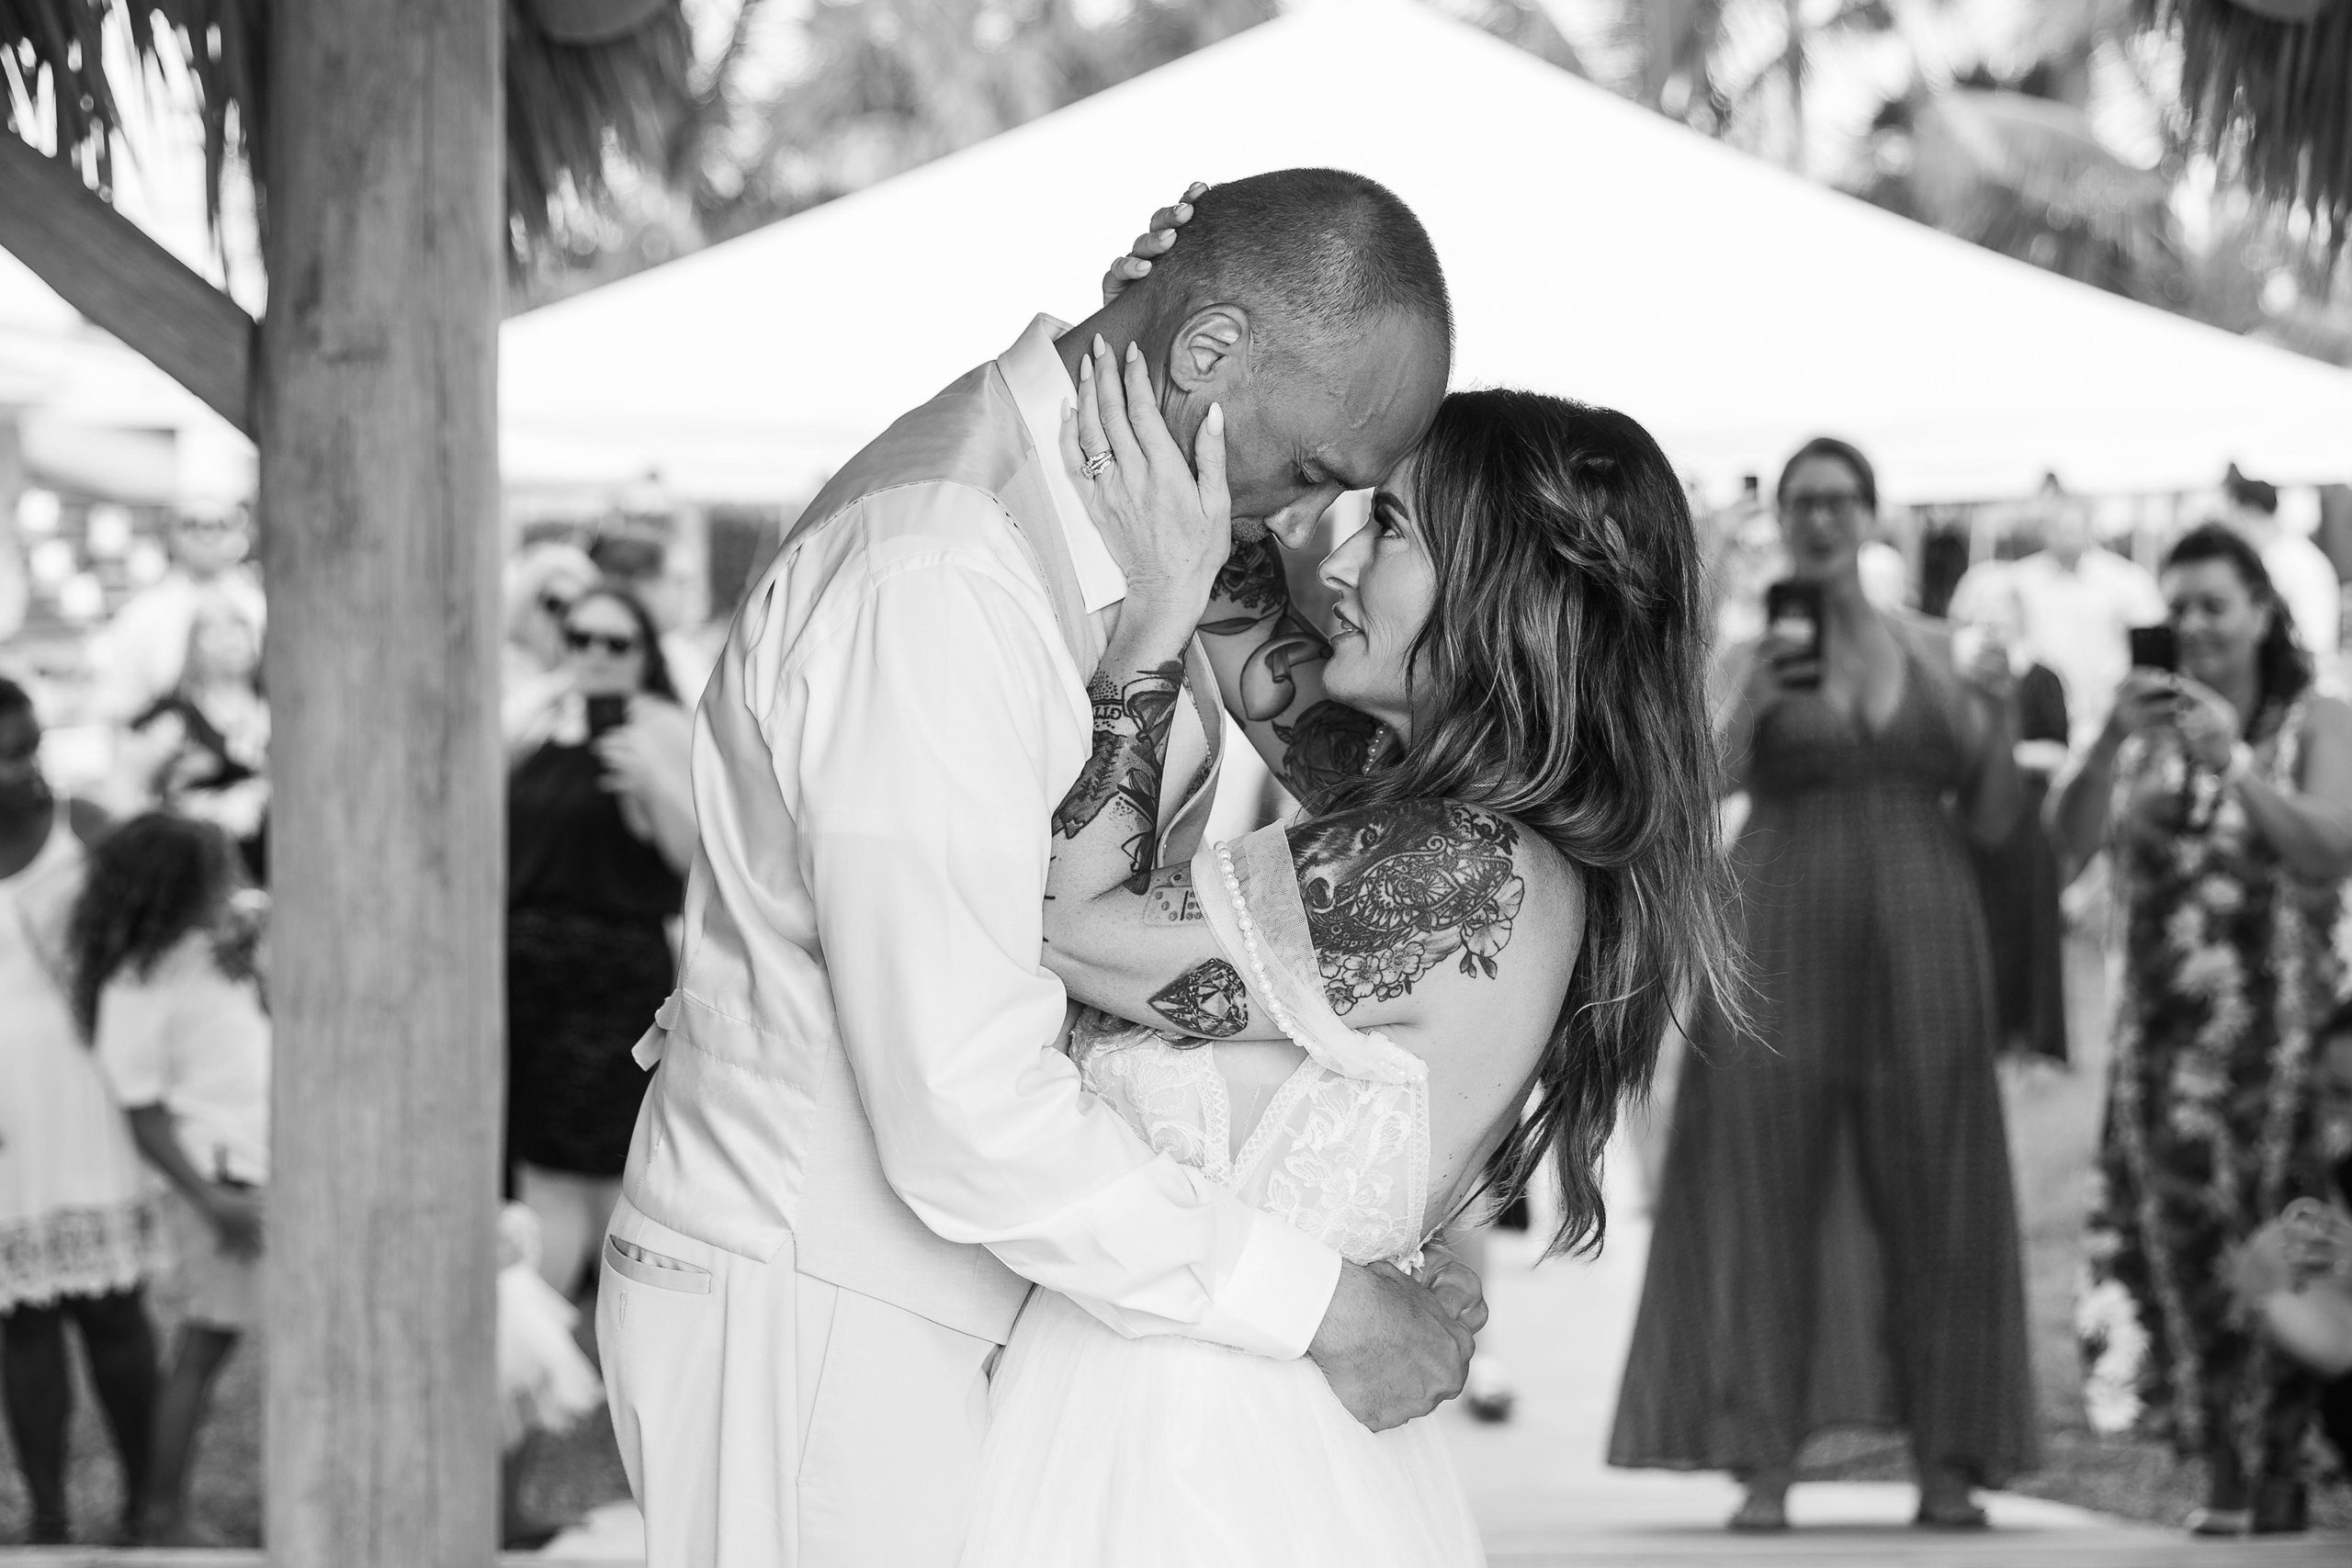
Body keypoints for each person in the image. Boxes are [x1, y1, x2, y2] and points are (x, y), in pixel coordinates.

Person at [595, 169, 1484, 1568]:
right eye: (1313, 473)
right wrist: (1323, 1305)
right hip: (826, 1296)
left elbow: (1376, 761)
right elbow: (963, 1102)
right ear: (1206, 357)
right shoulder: (941, 578)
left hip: (945, 1285)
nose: (1311, 524)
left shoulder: (1159, 518)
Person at [956, 360, 1735, 1564]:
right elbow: (1247, 601)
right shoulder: (1443, 830)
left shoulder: (1458, 869)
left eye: (1392, 525)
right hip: (1196, 1426)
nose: (1337, 553)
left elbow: (1068, 922)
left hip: (1200, 1467)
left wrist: (1152, 612)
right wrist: (1198, 381)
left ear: (1501, 589)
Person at [1610, 435, 2041, 1530]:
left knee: (1939, 1171)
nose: (1819, 518)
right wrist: (1748, 698)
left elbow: (1993, 817)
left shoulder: (1940, 649)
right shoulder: (1750, 656)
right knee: (1761, 1168)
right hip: (1783, 915)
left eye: (1839, 499)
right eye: (1801, 501)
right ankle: (1761, 1458)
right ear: (1782, 520)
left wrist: (1993, 713)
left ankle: (1951, 1460)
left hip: (1924, 919)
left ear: (1872, 514)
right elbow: (1695, 791)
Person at [2050, 522, 2352, 1537]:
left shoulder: (2317, 718)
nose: (2192, 626)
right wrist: (2104, 745)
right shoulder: (2137, 737)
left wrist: (2239, 766)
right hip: (2161, 1051)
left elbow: (2328, 850)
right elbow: (2058, 859)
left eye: (2213, 604)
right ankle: (2222, 1468)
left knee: (2281, 1249)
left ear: (2264, 612)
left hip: (2285, 1051)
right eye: (2175, 607)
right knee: (2180, 1254)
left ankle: (2283, 1468)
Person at [74, 812, 268, 1548]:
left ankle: (164, 1510)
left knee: (213, 1341)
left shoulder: (212, 949)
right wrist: (209, 1198)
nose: (233, 885)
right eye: (218, 874)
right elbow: (144, 1113)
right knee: (205, 1342)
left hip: (257, 1168)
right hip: (221, 1185)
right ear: (175, 888)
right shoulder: (135, 981)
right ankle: (160, 1513)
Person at [0, 678, 159, 1546]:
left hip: (85, 1084)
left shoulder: (86, 823)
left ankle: (146, 1500)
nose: (27, 767)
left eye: (33, 744)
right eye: (7, 752)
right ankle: (49, 1516)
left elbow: (163, 925)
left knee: (115, 1310)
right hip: (4, 1111)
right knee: (20, 1319)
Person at [503, 584, 694, 1298]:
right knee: (539, 1164)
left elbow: (694, 859)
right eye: (580, 636)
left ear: (645, 651)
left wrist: (646, 784)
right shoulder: (541, 717)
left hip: (606, 978)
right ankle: (557, 1340)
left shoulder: (660, 726)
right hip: (526, 981)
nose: (594, 654)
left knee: (594, 1171)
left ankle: (576, 1339)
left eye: (616, 642)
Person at [1951, 570, 2072, 1062]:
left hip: (2028, 821)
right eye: (1983, 606)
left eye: (2002, 606)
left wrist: (2002, 752)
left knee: (2030, 928)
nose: (1993, 617)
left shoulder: (2042, 676)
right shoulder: (1958, 676)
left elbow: (2059, 751)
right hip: (1967, 821)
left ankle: (2030, 1038)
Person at [115, 591, 270, 883]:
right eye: (214, 629)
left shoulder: (277, 703)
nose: (230, 639)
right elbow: (128, 793)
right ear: (194, 642)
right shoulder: (177, 716)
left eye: (238, 626)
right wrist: (211, 810)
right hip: (210, 871)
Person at [2001, 493, 2166, 752]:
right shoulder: (2022, 580)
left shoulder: (2125, 581)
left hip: (2104, 714)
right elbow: (2012, 638)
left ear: (2088, 527)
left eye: (2071, 528)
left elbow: (2150, 647)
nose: (2064, 536)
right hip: (2046, 719)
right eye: (2057, 528)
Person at [89, 506, 266, 725]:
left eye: (220, 525)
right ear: (172, 531)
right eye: (191, 524)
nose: (206, 535)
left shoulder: (260, 608)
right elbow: (118, 712)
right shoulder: (141, 616)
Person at [2223, 465, 2340, 688]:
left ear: (2247, 512)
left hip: (2303, 683)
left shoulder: (2291, 563)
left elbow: (2309, 641)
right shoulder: (2281, 556)